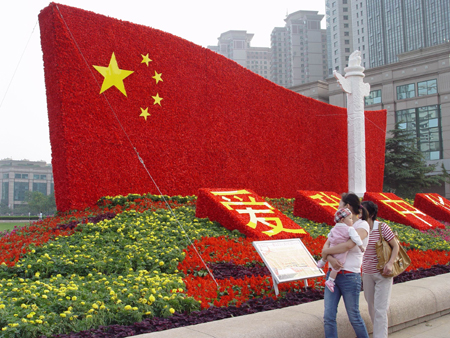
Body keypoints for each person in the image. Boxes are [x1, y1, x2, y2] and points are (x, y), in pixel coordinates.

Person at [321, 192, 370, 338]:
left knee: (354, 317)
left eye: (339, 204)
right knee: (328, 317)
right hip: (333, 276)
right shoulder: (339, 224)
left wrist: (326, 254)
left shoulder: (362, 225)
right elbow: (326, 247)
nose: (337, 207)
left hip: (350, 276)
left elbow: (348, 246)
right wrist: (329, 257)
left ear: (347, 206)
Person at [361, 201, 399, 338]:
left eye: (362, 211)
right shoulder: (360, 229)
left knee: (380, 309)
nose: (359, 214)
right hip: (367, 273)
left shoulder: (382, 227)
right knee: (371, 307)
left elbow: (396, 246)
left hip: (383, 273)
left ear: (370, 214)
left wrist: (390, 263)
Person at [317, 207, 365, 292]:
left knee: (329, 255)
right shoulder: (350, 229)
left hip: (332, 247)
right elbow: (356, 238)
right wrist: (361, 245)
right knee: (339, 264)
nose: (352, 220)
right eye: (350, 218)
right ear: (343, 220)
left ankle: (322, 261)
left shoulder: (334, 228)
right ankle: (330, 281)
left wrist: (326, 251)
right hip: (340, 250)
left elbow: (329, 237)